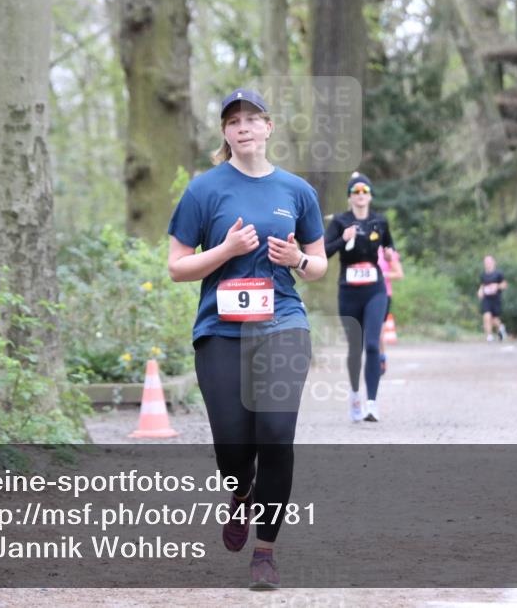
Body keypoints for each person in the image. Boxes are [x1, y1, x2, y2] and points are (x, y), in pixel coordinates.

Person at [167, 88, 327, 590]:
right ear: (225, 132)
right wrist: (227, 249)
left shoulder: (297, 190)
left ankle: (265, 551)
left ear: (268, 127)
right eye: (234, 121)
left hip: (283, 323)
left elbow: (319, 264)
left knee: (276, 434)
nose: (244, 127)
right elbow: (176, 267)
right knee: (233, 448)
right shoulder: (203, 190)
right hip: (221, 329)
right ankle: (241, 494)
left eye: (253, 119)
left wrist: (298, 260)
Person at [324, 172, 396, 423]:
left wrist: (389, 254)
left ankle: (372, 404)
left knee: (373, 344)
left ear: (370, 195)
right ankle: (355, 395)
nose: (361, 195)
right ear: (350, 197)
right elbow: (324, 251)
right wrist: (342, 239)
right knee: (355, 348)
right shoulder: (340, 221)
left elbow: (389, 247)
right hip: (348, 291)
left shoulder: (380, 221)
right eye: (356, 191)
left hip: (375, 290)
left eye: (365, 191)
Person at [377, 245, 404, 374]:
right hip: (364, 294)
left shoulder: (387, 252)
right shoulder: (363, 248)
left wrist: (382, 274)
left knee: (378, 330)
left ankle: (381, 359)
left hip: (383, 294)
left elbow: (399, 274)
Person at [477, 255, 507, 342]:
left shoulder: (499, 274)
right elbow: (482, 285)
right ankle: (489, 336)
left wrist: (496, 285)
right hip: (486, 299)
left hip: (496, 299)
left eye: (489, 262)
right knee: (486, 316)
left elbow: (504, 285)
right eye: (486, 262)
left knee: (494, 319)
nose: (487, 264)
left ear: (494, 263)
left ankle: (501, 327)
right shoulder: (483, 275)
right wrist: (480, 291)